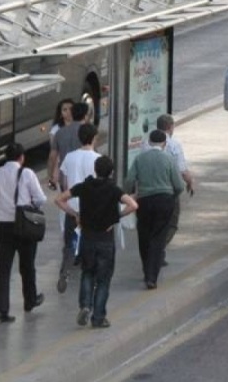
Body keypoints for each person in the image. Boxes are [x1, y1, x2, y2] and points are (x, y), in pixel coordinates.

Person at [55, 156, 138, 329]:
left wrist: (74, 214)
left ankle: (85, 305)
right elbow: (133, 205)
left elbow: (59, 199)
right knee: (103, 279)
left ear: (95, 169)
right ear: (111, 172)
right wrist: (116, 217)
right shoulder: (113, 189)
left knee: (87, 273)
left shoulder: (84, 187)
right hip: (105, 240)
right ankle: (98, 317)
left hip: (87, 238)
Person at [0, 143, 47, 323]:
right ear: (22, 157)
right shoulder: (27, 173)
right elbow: (40, 198)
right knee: (27, 265)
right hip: (24, 225)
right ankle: (30, 300)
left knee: (3, 268)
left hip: (2, 226)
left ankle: (1, 310)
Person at [125, 129, 184, 290]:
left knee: (144, 235)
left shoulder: (140, 158)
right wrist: (173, 196)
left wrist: (129, 193)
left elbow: (129, 179)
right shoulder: (168, 159)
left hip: (144, 200)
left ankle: (146, 270)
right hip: (164, 200)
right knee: (158, 238)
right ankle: (152, 277)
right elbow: (179, 185)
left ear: (150, 142)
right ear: (164, 144)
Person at [56, 122, 101, 294]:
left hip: (72, 208)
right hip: (91, 210)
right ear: (94, 138)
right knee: (90, 245)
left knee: (70, 242)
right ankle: (88, 277)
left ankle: (64, 271)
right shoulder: (97, 159)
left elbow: (64, 182)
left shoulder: (69, 157)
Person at [50, 102, 90, 293]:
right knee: (87, 229)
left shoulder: (60, 133)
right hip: (86, 191)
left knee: (70, 228)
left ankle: (66, 265)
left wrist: (53, 178)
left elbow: (54, 158)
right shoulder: (87, 134)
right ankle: (82, 257)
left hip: (69, 188)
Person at [155, 114, 194, 265]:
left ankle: (156, 250)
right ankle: (158, 248)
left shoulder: (146, 143)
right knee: (171, 222)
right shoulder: (174, 145)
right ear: (170, 127)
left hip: (148, 191)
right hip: (168, 191)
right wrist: (190, 182)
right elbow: (182, 170)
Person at [46, 98, 74, 190]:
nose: (68, 112)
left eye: (70, 109)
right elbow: (53, 154)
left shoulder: (80, 126)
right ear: (60, 113)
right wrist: (51, 175)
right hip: (63, 167)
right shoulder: (56, 130)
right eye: (64, 110)